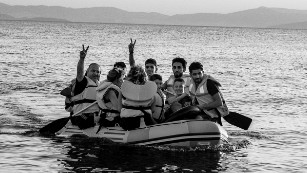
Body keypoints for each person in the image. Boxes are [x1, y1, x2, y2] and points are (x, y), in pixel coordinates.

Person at [69, 45, 101, 129]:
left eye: (98, 72)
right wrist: (82, 59)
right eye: (93, 71)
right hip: (80, 117)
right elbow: (79, 73)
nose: (96, 73)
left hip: (92, 116)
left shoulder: (99, 85)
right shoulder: (83, 82)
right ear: (87, 72)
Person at [120, 65, 157, 130]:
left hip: (127, 122)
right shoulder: (150, 91)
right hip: (146, 121)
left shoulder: (124, 90)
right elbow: (153, 109)